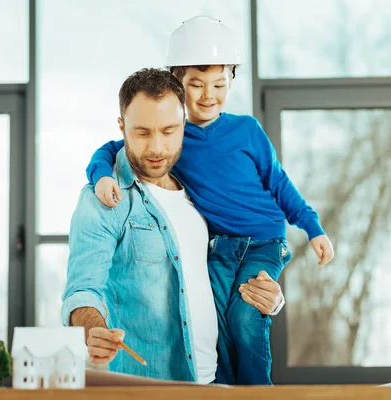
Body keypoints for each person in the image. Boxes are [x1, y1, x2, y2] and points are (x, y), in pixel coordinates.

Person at [85, 17, 334, 385]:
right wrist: (102, 176)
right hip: (219, 247)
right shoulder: (172, 138)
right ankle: (226, 391)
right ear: (177, 84)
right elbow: (108, 150)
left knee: (246, 316)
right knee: (218, 321)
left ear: (231, 80)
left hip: (263, 242)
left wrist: (313, 229)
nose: (208, 95)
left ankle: (256, 393)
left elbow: (279, 184)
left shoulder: (247, 130)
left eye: (219, 84)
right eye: (196, 85)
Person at [62, 68, 285, 384]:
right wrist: (93, 329)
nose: (156, 148)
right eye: (142, 132)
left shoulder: (199, 189)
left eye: (168, 131)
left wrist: (272, 300)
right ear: (122, 127)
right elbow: (82, 290)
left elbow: (227, 267)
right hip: (151, 387)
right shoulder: (104, 199)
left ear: (184, 125)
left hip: (218, 381)